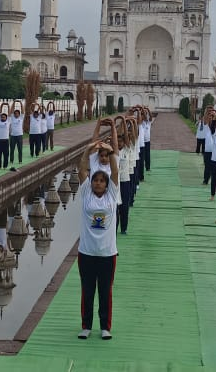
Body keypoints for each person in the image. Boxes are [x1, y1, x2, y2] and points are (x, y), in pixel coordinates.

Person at [76, 127, 120, 341]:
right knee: (87, 291)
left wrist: (110, 152)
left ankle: (105, 326)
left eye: (102, 181)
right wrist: (88, 150)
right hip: (86, 252)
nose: (99, 183)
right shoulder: (86, 195)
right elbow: (82, 169)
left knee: (105, 291)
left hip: (107, 253)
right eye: (96, 181)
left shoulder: (112, 195)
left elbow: (116, 172)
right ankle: (86, 325)